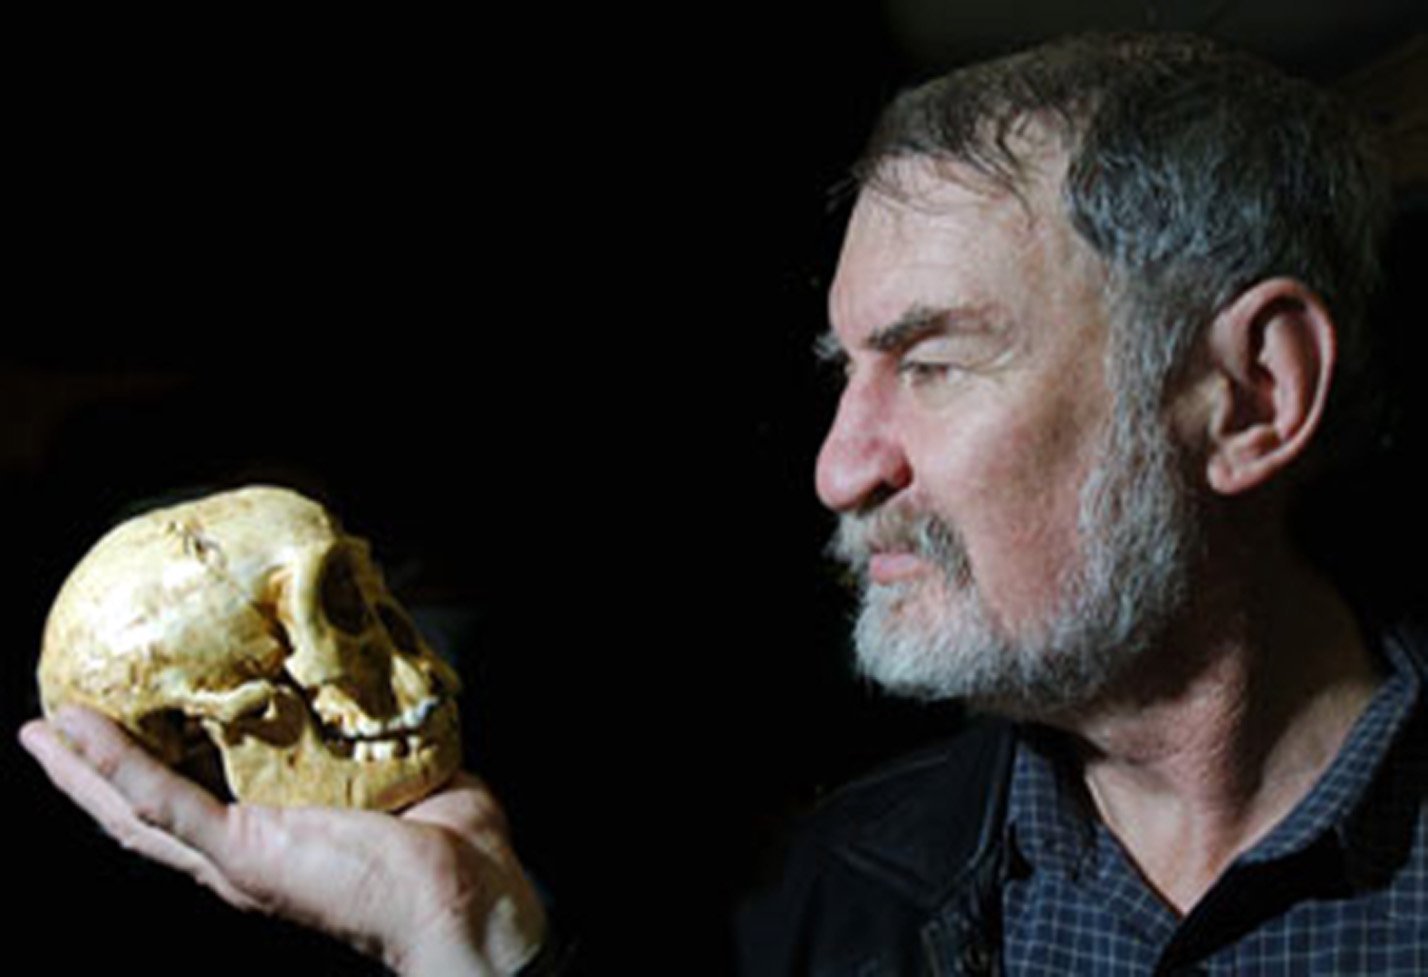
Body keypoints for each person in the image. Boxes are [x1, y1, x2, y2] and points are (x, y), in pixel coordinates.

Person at [19, 31, 1423, 976]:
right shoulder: (814, 908)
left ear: (1249, 397)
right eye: (845, 371)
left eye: (930, 363)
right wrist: (469, 947)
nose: (838, 466)